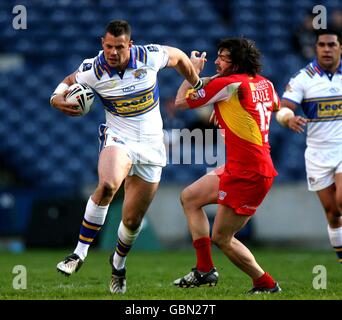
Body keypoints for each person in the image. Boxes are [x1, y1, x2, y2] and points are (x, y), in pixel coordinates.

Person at [49, 20, 203, 294]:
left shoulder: (149, 56)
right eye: (108, 46)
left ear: (129, 45)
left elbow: (179, 56)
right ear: (102, 44)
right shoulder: (93, 69)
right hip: (119, 138)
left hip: (153, 146)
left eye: (119, 47)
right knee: (108, 184)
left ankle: (118, 264)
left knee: (132, 221)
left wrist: (196, 82)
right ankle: (79, 253)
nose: (113, 52)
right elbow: (68, 81)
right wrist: (56, 98)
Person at [173, 38, 281, 293]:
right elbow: (273, 105)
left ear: (237, 61)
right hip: (243, 165)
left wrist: (194, 72)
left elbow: (180, 102)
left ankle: (266, 283)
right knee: (190, 198)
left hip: (250, 173)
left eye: (223, 57)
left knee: (222, 238)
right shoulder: (265, 83)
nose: (218, 61)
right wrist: (226, 108)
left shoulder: (228, 84)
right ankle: (204, 270)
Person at [277, 28, 342, 263]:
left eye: (332, 45)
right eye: (322, 45)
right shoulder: (303, 78)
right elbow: (283, 109)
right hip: (317, 152)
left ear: (340, 48)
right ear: (315, 48)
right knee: (332, 212)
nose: (326, 49)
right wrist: (288, 118)